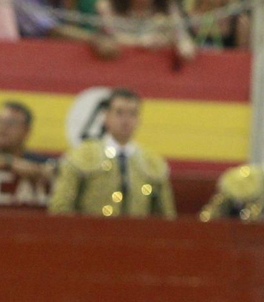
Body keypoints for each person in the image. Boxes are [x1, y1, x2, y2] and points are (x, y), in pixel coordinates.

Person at [49, 88, 176, 218]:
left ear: (139, 119)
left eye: (132, 114)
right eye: (119, 113)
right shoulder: (82, 155)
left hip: (138, 231)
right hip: (91, 230)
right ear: (106, 116)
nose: (126, 120)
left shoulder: (152, 161)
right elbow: (61, 208)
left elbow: (166, 216)